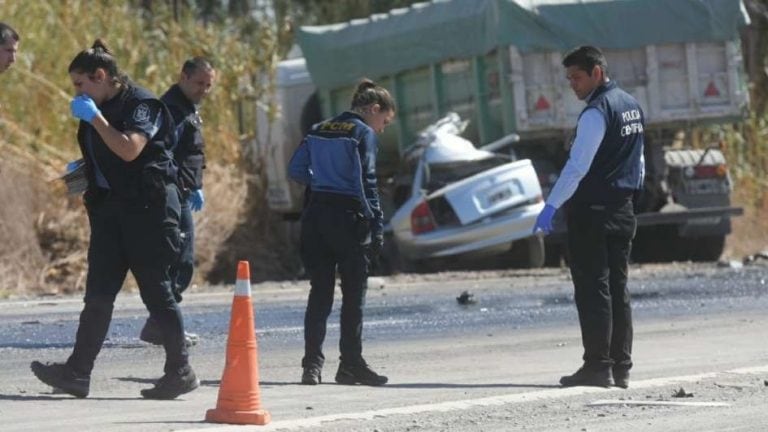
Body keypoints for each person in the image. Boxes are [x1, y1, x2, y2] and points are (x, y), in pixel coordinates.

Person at [30, 40, 199, 400]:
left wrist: (95, 118)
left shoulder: (142, 104)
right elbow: (102, 157)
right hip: (110, 213)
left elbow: (128, 149)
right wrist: (78, 174)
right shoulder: (99, 107)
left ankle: (180, 371)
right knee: (98, 296)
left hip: (149, 212)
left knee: (157, 293)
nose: (76, 92)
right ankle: (77, 373)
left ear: (102, 76)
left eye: (81, 84)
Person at [533, 46, 645, 389]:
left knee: (593, 289)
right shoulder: (631, 106)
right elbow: (639, 163)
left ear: (597, 72)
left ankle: (598, 366)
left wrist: (551, 205)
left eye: (577, 77)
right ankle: (620, 367)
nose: (572, 85)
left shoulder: (597, 112)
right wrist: (629, 199)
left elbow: (577, 166)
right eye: (568, 78)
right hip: (621, 210)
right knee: (617, 288)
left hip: (593, 214)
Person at [288, 79, 395, 386]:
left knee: (319, 295)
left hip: (316, 217)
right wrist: (376, 225)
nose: (382, 129)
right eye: (384, 121)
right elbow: (367, 182)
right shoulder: (362, 133)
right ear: (373, 109)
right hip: (348, 220)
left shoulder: (318, 128)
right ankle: (350, 365)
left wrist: (321, 179)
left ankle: (312, 366)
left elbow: (295, 170)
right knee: (353, 297)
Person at [139, 57, 216, 347]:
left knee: (179, 262)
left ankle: (160, 324)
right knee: (179, 261)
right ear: (183, 77)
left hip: (182, 192)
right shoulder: (171, 109)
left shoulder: (187, 107)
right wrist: (183, 185)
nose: (204, 90)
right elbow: (162, 154)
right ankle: (162, 325)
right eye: (199, 83)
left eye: (209, 85)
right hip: (171, 194)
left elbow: (189, 152)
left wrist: (195, 185)